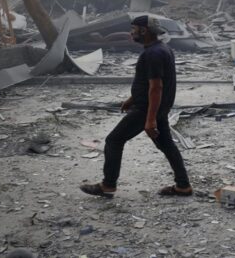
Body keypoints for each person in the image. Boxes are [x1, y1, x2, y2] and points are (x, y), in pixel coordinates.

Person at [80, 15, 192, 198]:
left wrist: (150, 120)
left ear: (143, 30)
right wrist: (132, 98)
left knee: (114, 141)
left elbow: (157, 87)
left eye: (133, 29)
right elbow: (152, 82)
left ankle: (108, 185)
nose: (131, 33)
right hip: (158, 108)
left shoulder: (153, 54)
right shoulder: (162, 49)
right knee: (167, 145)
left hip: (147, 109)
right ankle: (183, 186)